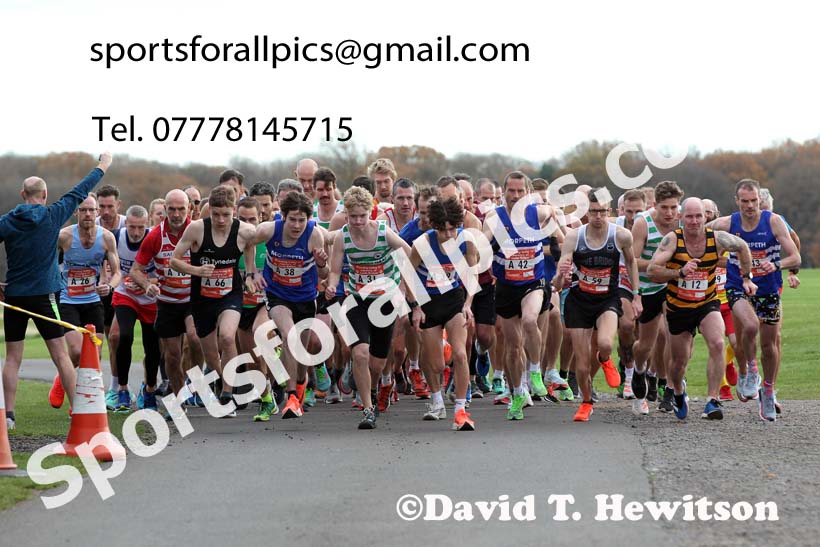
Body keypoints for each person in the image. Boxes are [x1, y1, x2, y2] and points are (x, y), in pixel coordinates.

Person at [0, 152, 112, 429]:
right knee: (61, 356)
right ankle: (78, 412)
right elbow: (81, 189)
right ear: (45, 194)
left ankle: (9, 416)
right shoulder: (53, 215)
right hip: (45, 295)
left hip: (14, 295)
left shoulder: (7, 221)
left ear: (23, 194)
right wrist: (103, 165)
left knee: (12, 358)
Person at [648, 197, 756, 420]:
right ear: (681, 218)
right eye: (689, 216)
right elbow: (652, 270)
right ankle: (678, 392)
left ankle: (712, 400)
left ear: (705, 217)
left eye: (699, 216)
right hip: (678, 307)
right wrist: (679, 272)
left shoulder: (716, 239)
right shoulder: (672, 240)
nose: (695, 221)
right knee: (678, 362)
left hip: (707, 302)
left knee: (718, 343)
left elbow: (742, 247)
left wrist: (746, 278)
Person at [706, 179, 800, 421]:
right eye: (745, 201)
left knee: (769, 346)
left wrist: (777, 265)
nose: (750, 206)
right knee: (749, 326)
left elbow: (795, 256)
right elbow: (698, 236)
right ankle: (751, 370)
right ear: (736, 201)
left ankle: (768, 391)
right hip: (737, 287)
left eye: (754, 201)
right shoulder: (727, 223)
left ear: (760, 200)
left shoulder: (773, 221)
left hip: (768, 289)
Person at [325, 186, 412, 430]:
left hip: (385, 301)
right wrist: (331, 285)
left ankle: (373, 388)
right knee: (360, 353)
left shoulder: (384, 233)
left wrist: (404, 289)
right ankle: (367, 408)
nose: (357, 221)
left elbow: (410, 255)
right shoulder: (343, 236)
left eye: (362, 216)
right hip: (357, 299)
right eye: (352, 216)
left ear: (370, 213)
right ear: (346, 214)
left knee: (376, 363)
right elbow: (335, 270)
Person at [170, 185, 258, 417]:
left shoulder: (244, 231)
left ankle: (227, 393)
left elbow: (251, 245)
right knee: (210, 355)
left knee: (227, 336)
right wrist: (196, 270)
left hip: (231, 293)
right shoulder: (197, 229)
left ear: (234, 211)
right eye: (216, 214)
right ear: (210, 211)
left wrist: (250, 274)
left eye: (226, 214)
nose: (220, 220)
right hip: (202, 298)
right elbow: (174, 260)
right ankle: (225, 380)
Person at [555, 189, 641, 422]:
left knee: (605, 343)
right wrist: (562, 274)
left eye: (602, 211)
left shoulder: (621, 235)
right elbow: (558, 281)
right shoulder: (574, 237)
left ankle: (605, 358)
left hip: (607, 298)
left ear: (609, 211)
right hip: (579, 301)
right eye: (593, 212)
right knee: (582, 366)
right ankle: (586, 402)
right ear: (587, 212)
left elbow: (631, 262)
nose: (598, 217)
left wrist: (636, 295)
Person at [246, 192, 328, 420]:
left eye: (302, 220)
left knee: (300, 354)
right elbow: (248, 243)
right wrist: (252, 273)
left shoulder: (314, 235)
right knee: (289, 334)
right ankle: (290, 396)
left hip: (305, 297)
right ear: (283, 216)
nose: (297, 225)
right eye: (292, 219)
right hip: (277, 295)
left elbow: (324, 274)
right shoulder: (269, 230)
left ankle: (301, 383)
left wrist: (321, 263)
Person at [482, 171, 553, 421]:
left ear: (528, 193)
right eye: (511, 191)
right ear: (503, 193)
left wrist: (560, 238)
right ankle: (518, 394)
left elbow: (552, 213)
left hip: (533, 282)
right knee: (513, 347)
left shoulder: (537, 213)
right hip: (506, 286)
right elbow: (484, 240)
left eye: (520, 191)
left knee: (531, 320)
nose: (515, 196)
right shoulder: (495, 218)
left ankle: (535, 371)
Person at [130, 189, 202, 420]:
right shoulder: (155, 236)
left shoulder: (198, 231)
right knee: (172, 356)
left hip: (193, 299)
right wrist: (146, 285)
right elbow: (135, 270)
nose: (177, 214)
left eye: (181, 209)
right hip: (168, 302)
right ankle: (179, 401)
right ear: (165, 211)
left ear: (189, 209)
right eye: (172, 209)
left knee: (195, 338)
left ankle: (195, 381)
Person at [409, 197, 477, 430]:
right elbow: (407, 274)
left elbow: (472, 274)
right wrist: (415, 307)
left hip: (453, 300)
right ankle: (437, 400)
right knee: (436, 364)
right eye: (443, 230)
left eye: (452, 229)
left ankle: (460, 410)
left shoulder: (466, 241)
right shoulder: (422, 244)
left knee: (460, 354)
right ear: (434, 226)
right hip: (428, 302)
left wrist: (468, 304)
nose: (448, 235)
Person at [53, 194, 121, 408]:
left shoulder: (107, 238)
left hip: (93, 300)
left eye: (92, 210)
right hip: (68, 300)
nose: (88, 214)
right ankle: (72, 395)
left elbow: (118, 272)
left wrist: (109, 286)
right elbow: (45, 260)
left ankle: (68, 384)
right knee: (76, 351)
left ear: (97, 212)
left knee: (94, 355)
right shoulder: (64, 236)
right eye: (83, 210)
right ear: (76, 212)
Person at [630, 181, 683, 415]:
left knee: (672, 335)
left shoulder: (683, 222)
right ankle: (639, 369)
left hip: (673, 285)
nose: (670, 213)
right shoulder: (643, 223)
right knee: (645, 345)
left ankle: (671, 388)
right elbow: (632, 260)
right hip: (648, 286)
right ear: (654, 205)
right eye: (664, 208)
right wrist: (657, 266)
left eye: (674, 207)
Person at [110, 205, 162, 413]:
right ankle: (122, 389)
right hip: (126, 295)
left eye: (141, 227)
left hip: (150, 298)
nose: (136, 232)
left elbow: (165, 273)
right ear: (126, 224)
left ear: (147, 224)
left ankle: (149, 389)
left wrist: (147, 281)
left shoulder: (155, 238)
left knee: (153, 347)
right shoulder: (116, 237)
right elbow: (109, 266)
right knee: (124, 336)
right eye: (132, 227)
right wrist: (113, 278)